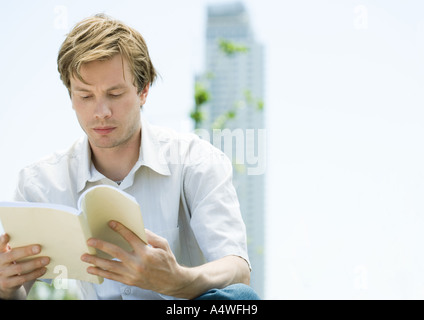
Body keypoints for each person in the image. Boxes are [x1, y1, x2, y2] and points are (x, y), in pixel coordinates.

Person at [0, 14, 259, 300]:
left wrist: (177, 280)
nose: (101, 112)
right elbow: (18, 291)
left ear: (143, 90)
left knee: (240, 300)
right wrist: (6, 285)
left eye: (115, 93)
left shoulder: (196, 161)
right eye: (85, 96)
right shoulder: (40, 183)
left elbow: (237, 269)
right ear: (71, 96)